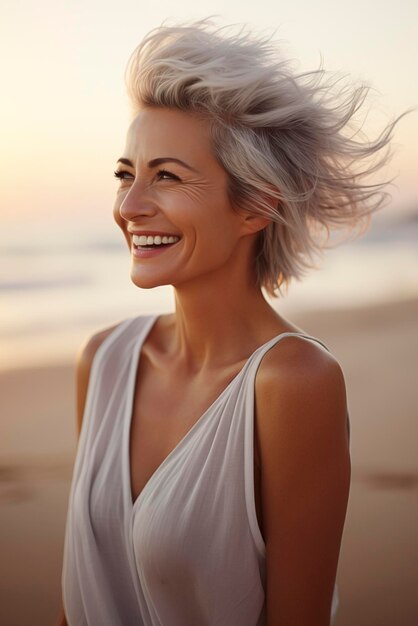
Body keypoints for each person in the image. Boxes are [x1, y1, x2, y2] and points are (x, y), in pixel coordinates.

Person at [56, 19, 401, 626]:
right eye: (125, 173)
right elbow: (82, 598)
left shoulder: (295, 382)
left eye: (166, 175)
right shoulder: (104, 359)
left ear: (256, 206)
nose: (130, 206)